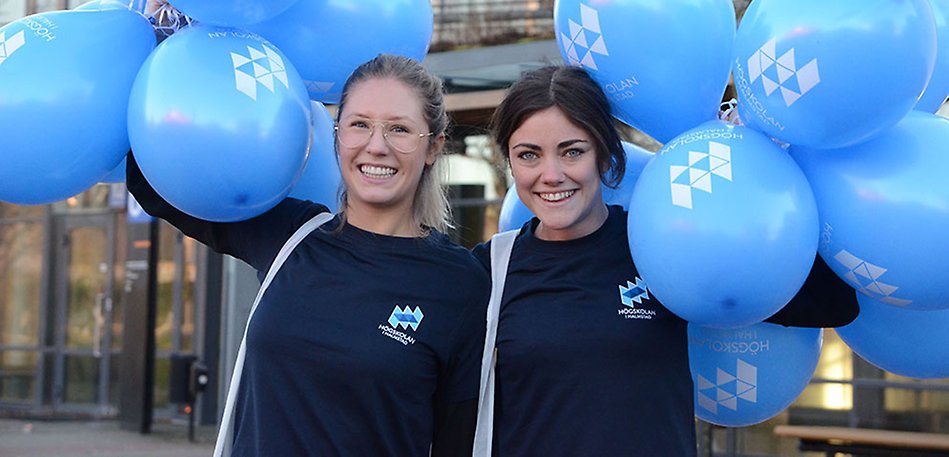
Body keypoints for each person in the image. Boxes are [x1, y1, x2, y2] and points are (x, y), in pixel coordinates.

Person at [473, 65, 859, 456]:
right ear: (510, 161)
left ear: (605, 156)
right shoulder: (489, 272)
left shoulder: (660, 243)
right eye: (529, 155)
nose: (551, 175)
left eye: (573, 151)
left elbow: (833, 303)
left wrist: (761, 159)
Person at [127, 54, 489, 457]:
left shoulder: (460, 283)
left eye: (399, 130)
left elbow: (460, 440)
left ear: (433, 147)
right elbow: (157, 182)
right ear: (337, 136)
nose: (376, 146)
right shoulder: (291, 235)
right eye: (359, 125)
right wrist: (164, 38)